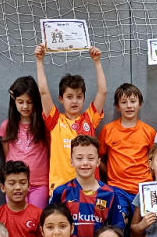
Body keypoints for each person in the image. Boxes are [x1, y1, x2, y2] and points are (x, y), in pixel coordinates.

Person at [35, 43, 107, 192]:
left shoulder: (90, 118)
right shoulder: (55, 120)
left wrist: (97, 62)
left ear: (84, 98)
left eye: (79, 97)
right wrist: (39, 61)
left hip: (89, 188)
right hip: (60, 188)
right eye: (69, 97)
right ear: (61, 99)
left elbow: (102, 93)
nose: (74, 101)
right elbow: (43, 93)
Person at [49, 135, 128, 237]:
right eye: (79, 158)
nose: (85, 163)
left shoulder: (109, 194)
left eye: (90, 158)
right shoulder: (61, 192)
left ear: (98, 161)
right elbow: (50, 225)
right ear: (71, 161)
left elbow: (117, 229)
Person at [98, 83, 156, 206]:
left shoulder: (149, 132)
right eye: (124, 102)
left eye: (133, 101)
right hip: (117, 188)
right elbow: (98, 159)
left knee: (144, 223)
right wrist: (110, 172)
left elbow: (155, 160)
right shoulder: (108, 130)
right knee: (120, 222)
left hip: (144, 188)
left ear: (139, 104)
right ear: (118, 106)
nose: (129, 106)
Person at [0, 76, 51, 208]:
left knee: (36, 220)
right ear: (14, 101)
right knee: (16, 219)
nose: (25, 106)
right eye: (20, 101)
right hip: (14, 183)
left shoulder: (44, 125)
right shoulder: (6, 126)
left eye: (29, 102)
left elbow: (51, 152)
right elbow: (7, 155)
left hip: (39, 183)